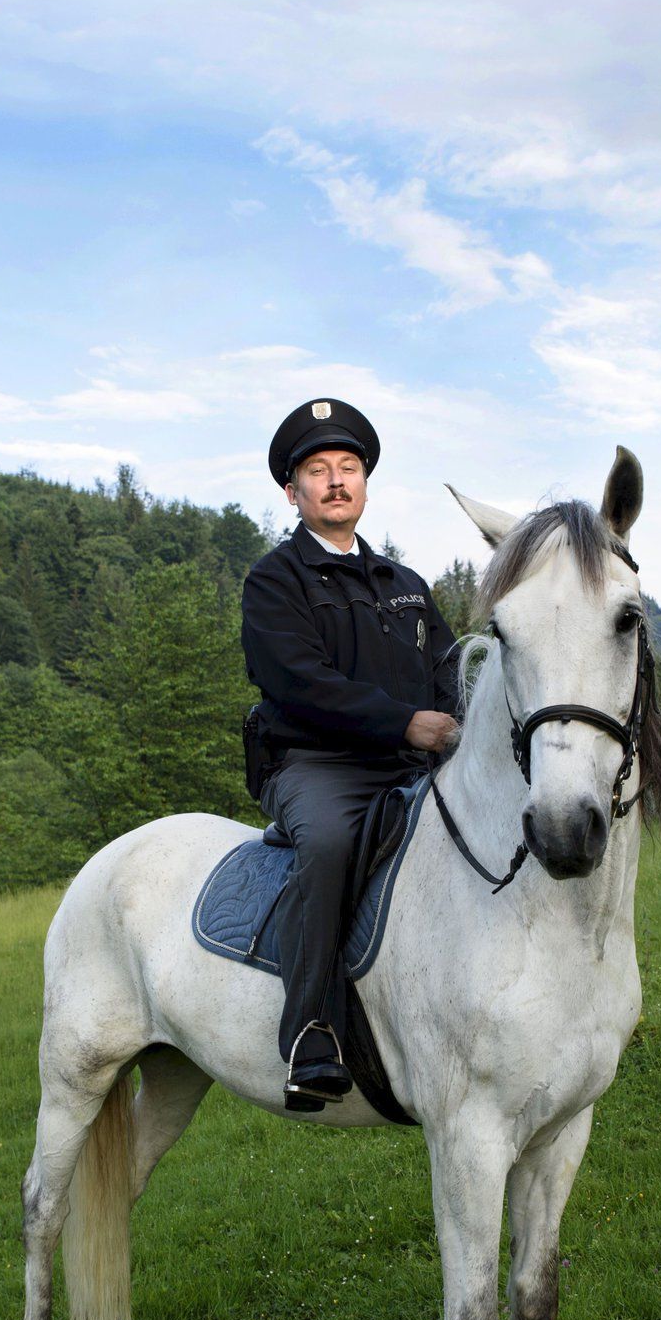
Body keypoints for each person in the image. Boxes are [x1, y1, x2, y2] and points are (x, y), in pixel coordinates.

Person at [240, 398, 459, 1111]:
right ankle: (310, 1031)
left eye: (349, 467)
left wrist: (463, 719)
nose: (337, 481)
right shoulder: (275, 582)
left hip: (409, 764)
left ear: (364, 484)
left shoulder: (408, 588)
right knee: (331, 842)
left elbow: (451, 672)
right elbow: (301, 685)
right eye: (318, 470)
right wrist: (409, 726)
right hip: (314, 764)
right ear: (292, 492)